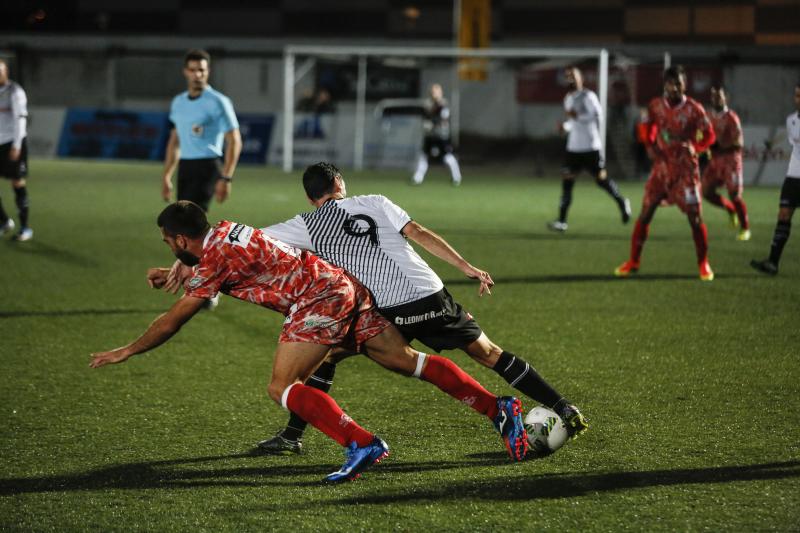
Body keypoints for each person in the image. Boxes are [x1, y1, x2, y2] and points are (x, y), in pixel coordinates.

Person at [90, 201, 530, 484]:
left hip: (317, 300)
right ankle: (499, 409)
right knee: (406, 361)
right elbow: (207, 263)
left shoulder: (213, 256)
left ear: (182, 239)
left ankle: (361, 442)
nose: (170, 248)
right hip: (342, 287)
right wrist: (176, 268)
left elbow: (173, 321)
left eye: (170, 243)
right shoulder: (224, 231)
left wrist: (128, 349)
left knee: (281, 386)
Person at [216, 162, 587, 456]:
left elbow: (253, 238)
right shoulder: (376, 201)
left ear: (312, 197)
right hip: (428, 296)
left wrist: (198, 259)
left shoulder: (307, 224)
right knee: (488, 354)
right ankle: (562, 407)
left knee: (327, 357)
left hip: (386, 308)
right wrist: (466, 267)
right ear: (340, 183)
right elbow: (420, 233)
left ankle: (292, 436)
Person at [615, 66, 717, 281]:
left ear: (684, 84)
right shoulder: (655, 106)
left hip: (686, 171)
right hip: (661, 169)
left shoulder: (694, 109)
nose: (674, 88)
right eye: (671, 83)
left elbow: (709, 135)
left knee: (695, 218)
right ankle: (633, 261)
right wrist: (649, 146)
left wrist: (697, 148)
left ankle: (703, 264)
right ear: (665, 85)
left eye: (679, 83)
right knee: (646, 212)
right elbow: (646, 128)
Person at [547, 66, 631, 233]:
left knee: (601, 180)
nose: (570, 79)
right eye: (568, 76)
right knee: (567, 183)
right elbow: (572, 122)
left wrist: (577, 117)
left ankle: (622, 202)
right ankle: (562, 221)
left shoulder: (588, 96)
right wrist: (565, 126)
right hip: (573, 148)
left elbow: (597, 114)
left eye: (574, 76)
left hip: (591, 147)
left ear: (581, 79)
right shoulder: (568, 98)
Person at [161, 49, 242, 213]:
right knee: (184, 220)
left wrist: (226, 178)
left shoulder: (218, 101)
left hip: (207, 166)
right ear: (185, 72)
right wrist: (167, 176)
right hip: (185, 166)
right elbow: (175, 141)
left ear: (208, 72)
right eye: (192, 70)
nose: (197, 75)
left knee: (190, 219)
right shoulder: (178, 102)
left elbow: (234, 140)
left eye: (201, 70)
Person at [751, 83, 800, 275]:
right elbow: (792, 142)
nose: (798, 99)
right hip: (793, 178)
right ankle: (772, 262)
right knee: (783, 216)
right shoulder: (791, 120)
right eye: (797, 95)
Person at [701, 86, 750, 241]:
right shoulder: (708, 116)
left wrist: (720, 146)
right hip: (715, 161)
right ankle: (730, 210)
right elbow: (704, 136)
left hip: (731, 161)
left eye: (719, 96)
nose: (716, 99)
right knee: (706, 192)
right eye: (713, 96)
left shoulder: (732, 117)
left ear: (725, 98)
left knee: (735, 195)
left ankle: (745, 229)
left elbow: (739, 143)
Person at [0, 58, 32, 241]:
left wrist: (17, 146)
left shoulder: (15, 92)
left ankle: (25, 228)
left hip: (12, 143)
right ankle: (4, 222)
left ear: (6, 72)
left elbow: (20, 119)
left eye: (1, 70)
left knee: (17, 183)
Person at [411, 83, 462, 186]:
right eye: (432, 92)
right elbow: (425, 116)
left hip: (441, 136)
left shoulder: (444, 105)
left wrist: (431, 124)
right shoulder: (428, 104)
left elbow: (442, 119)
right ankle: (417, 178)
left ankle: (456, 177)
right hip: (430, 136)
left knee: (447, 157)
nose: (434, 94)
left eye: (436, 92)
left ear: (440, 93)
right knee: (424, 156)